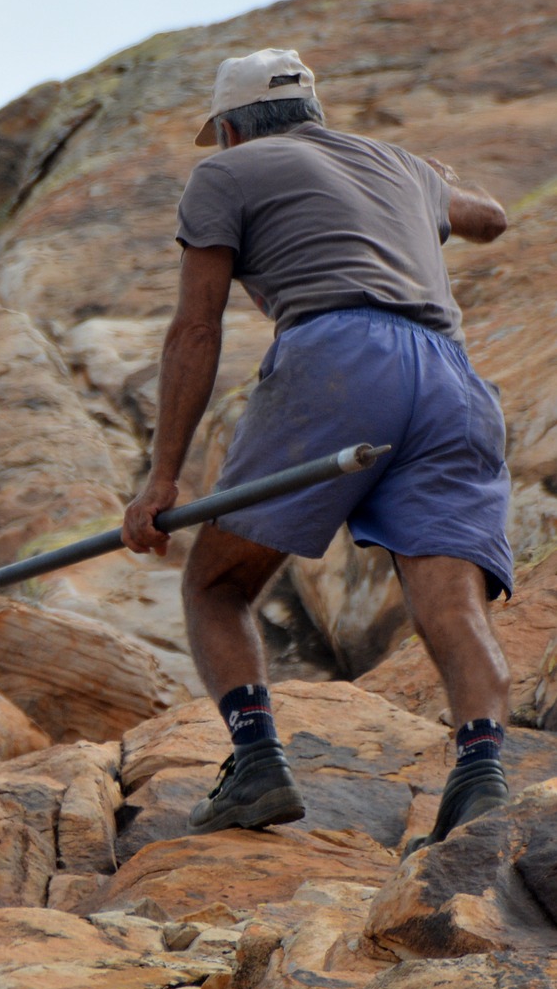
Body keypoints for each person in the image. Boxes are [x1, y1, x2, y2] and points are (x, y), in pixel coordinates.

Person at [121, 48, 513, 852]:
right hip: (451, 379)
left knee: (214, 586)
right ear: (313, 112)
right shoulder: (397, 165)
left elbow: (196, 327)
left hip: (338, 357)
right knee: (450, 603)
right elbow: (493, 218)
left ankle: (258, 762)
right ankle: (482, 776)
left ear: (229, 128)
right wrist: (435, 183)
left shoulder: (227, 174)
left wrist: (161, 477)